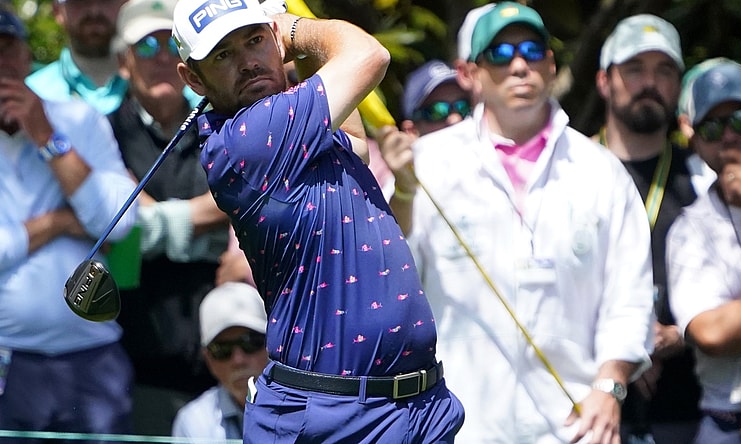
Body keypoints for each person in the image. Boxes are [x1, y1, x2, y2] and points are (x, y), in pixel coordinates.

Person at [172, 0, 465, 442]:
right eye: (223, 55)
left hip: (416, 409)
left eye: (254, 41)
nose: (248, 62)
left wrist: (294, 50)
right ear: (194, 78)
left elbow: (356, 145)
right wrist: (294, 31)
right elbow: (369, 55)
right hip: (332, 419)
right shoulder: (247, 142)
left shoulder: (294, 130)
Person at [400, 3, 655, 442]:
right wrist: (398, 189)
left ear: (551, 65)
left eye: (533, 50)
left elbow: (630, 299)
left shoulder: (600, 170)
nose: (519, 64)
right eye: (499, 53)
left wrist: (610, 386)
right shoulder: (426, 165)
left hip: (577, 428)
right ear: (470, 74)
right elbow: (395, 289)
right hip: (459, 429)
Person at [0, 5, 137, 440]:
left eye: (6, 49)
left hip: (92, 358)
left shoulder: (78, 118)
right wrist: (57, 223)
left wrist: (47, 137)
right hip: (7, 360)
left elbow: (119, 223)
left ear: (25, 56)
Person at [107, 0, 231, 435]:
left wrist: (153, 222)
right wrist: (210, 224)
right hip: (140, 363)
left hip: (231, 357)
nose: (161, 57)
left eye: (170, 45)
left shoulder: (223, 125)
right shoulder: (103, 132)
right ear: (123, 62)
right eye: (146, 46)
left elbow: (242, 198)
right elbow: (116, 227)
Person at [595, 14, 708, 443]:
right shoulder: (569, 169)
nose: (650, 82)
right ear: (604, 81)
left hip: (686, 411)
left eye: (664, 70)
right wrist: (625, 347)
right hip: (586, 405)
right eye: (635, 69)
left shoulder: (703, 178)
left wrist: (683, 333)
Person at [666, 59, 741, 443]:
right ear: (696, 143)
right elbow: (711, 332)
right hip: (729, 421)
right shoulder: (690, 229)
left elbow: (732, 323)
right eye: (713, 128)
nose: (730, 138)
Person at [375, 59, 471, 232]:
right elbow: (393, 242)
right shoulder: (398, 189)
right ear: (411, 131)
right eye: (437, 111)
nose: (455, 119)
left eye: (463, 107)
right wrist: (404, 190)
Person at [172, 282, 269, 441]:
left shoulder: (308, 410)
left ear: (273, 346)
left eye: (251, 342)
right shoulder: (193, 421)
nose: (238, 360)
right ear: (208, 359)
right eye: (222, 349)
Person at [25, 0, 128, 115]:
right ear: (57, 10)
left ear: (129, 3)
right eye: (79, 1)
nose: (94, 11)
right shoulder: (33, 96)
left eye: (105, 1)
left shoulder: (150, 84)